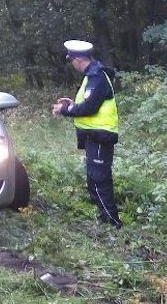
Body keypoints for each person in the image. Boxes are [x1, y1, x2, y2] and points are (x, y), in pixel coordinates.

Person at [51, 39, 123, 227]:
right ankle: (104, 220)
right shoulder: (91, 76)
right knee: (94, 180)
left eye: (71, 60)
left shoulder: (97, 77)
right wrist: (72, 104)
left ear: (77, 59)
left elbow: (90, 107)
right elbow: (89, 103)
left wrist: (64, 110)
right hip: (94, 136)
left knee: (100, 181)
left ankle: (114, 224)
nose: (72, 65)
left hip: (101, 136)